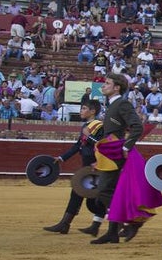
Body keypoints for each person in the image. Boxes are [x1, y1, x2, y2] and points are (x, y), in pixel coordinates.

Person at [89, 74, 145, 245]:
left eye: (107, 83)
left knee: (105, 190)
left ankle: (129, 220)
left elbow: (137, 126)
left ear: (117, 87)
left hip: (115, 151)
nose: (103, 86)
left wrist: (126, 147)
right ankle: (113, 231)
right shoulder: (113, 104)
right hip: (109, 150)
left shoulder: (122, 103)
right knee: (111, 189)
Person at [42, 99, 104, 235]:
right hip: (87, 165)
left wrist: (89, 137)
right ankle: (65, 224)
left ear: (93, 111)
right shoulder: (86, 126)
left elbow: (102, 145)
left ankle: (117, 224)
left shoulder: (99, 126)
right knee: (77, 192)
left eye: (84, 108)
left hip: (97, 166)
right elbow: (78, 146)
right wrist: (62, 158)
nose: (81, 111)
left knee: (99, 199)